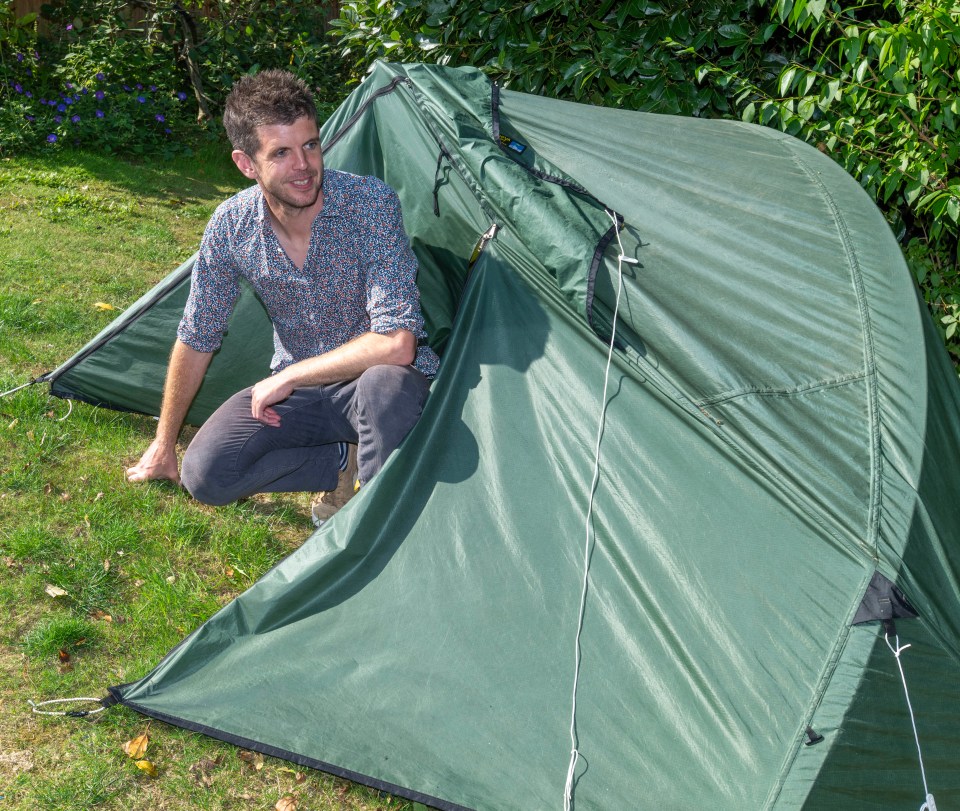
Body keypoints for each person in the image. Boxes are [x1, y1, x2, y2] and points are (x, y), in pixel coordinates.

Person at [125, 69, 438, 522]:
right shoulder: (231, 226)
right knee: (207, 476)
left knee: (386, 384)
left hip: (374, 385)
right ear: (246, 164)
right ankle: (337, 463)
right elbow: (197, 336)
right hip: (301, 398)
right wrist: (163, 442)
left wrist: (290, 376)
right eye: (282, 153)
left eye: (311, 145)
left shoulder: (369, 204)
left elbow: (396, 343)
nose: (304, 166)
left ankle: (371, 526)